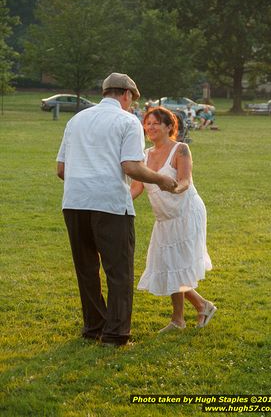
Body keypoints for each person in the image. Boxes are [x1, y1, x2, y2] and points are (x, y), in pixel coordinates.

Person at [56, 73, 177, 347]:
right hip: (109, 204)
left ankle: (94, 327)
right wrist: (161, 179)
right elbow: (131, 167)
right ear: (125, 94)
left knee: (86, 269)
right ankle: (115, 334)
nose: (133, 104)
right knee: (118, 271)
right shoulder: (127, 121)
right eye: (132, 99)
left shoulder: (76, 120)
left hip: (74, 202)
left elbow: (61, 169)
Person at [131, 106, 217, 332]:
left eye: (155, 123)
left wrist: (175, 189)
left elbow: (185, 180)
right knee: (168, 265)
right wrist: (118, 203)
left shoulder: (181, 149)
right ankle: (184, 316)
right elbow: (137, 187)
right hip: (164, 218)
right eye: (147, 123)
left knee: (176, 266)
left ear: (169, 127)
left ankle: (193, 311)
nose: (150, 127)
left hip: (186, 213)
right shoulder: (144, 156)